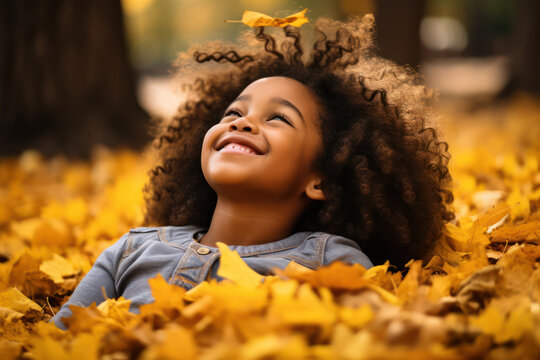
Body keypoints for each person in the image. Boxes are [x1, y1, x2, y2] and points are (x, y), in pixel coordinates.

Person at [51, 15, 454, 330]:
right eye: (234, 112)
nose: (242, 124)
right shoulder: (132, 249)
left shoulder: (330, 261)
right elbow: (58, 340)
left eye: (278, 118)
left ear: (322, 180)